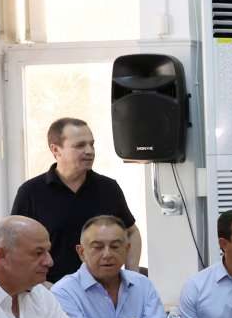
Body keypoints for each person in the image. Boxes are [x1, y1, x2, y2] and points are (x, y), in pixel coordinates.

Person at [10, 118, 141, 283]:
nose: (89, 151)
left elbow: (131, 232)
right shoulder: (31, 192)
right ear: (56, 150)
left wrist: (132, 276)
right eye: (80, 145)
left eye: (91, 144)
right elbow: (15, 246)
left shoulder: (108, 188)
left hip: (103, 289)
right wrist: (39, 285)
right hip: (51, 290)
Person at [52, 215, 167, 318]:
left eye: (115, 246)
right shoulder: (64, 291)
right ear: (81, 252)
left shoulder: (142, 284)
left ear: (127, 249)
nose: (107, 254)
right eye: (97, 247)